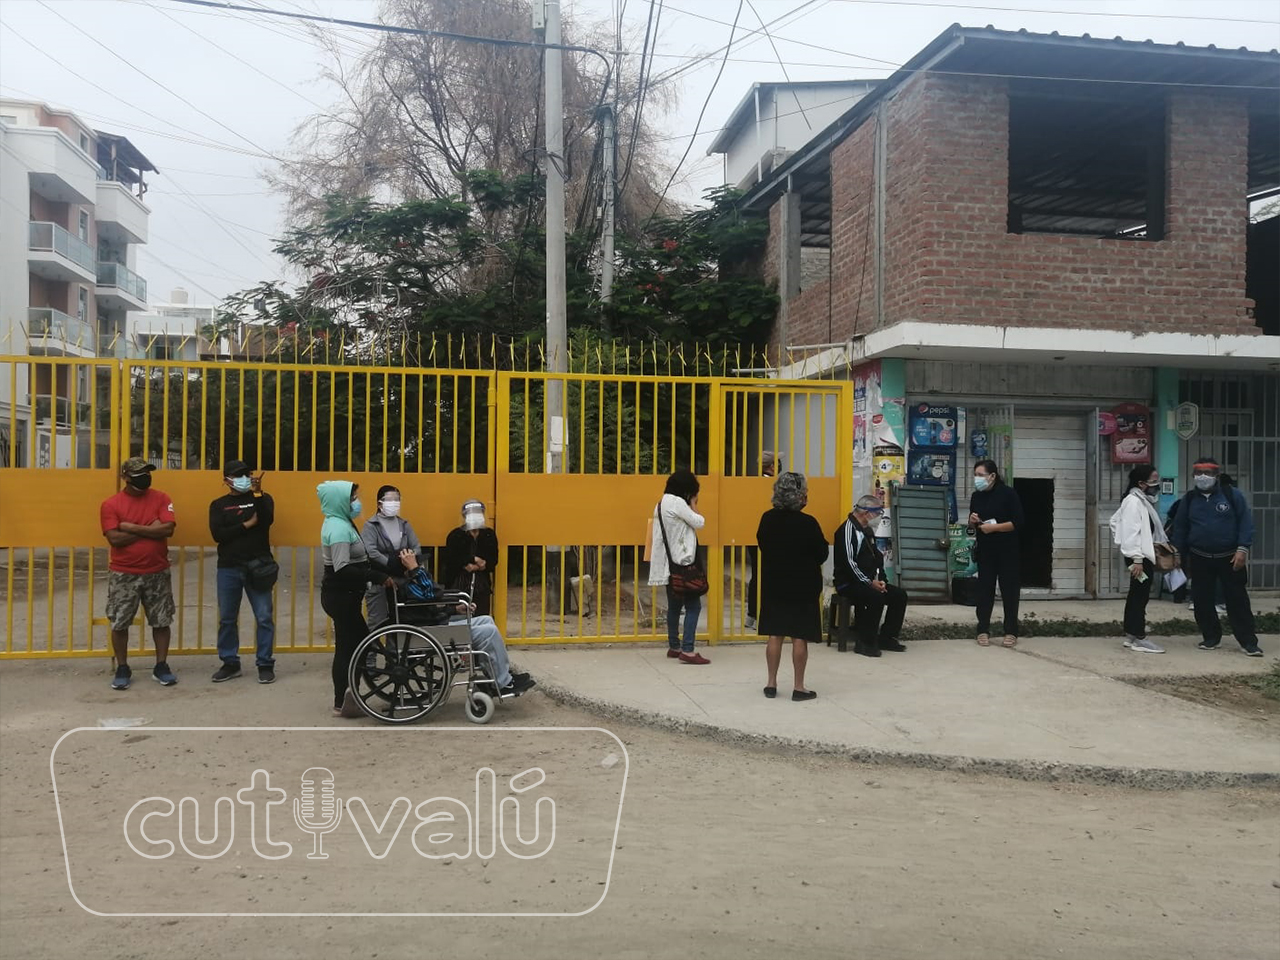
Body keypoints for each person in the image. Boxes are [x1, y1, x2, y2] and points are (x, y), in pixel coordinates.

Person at [397, 548, 534, 696]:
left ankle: (498, 675)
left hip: (433, 625)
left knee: (486, 619)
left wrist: (454, 609)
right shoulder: (410, 585)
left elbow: (430, 608)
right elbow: (434, 594)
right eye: (418, 563)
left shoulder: (412, 583)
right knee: (489, 633)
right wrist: (415, 569)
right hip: (429, 632)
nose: (422, 566)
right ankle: (503, 683)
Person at [317, 480, 395, 716]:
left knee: (350, 646)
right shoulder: (338, 529)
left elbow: (359, 560)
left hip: (346, 596)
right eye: (352, 499)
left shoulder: (341, 523)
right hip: (341, 597)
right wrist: (377, 576)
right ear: (339, 501)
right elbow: (342, 568)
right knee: (353, 646)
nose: (356, 502)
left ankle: (347, 698)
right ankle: (345, 700)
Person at [100, 457, 178, 690]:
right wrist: (151, 528)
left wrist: (130, 526)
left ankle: (161, 666)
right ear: (125, 477)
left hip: (157, 571)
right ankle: (123, 667)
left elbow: (168, 529)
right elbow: (114, 539)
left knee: (161, 621)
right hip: (124, 573)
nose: (145, 477)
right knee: (120, 622)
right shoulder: (111, 504)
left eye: (147, 473)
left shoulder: (162, 498)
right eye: (138, 474)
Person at [1171, 457, 1262, 656]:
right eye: (1198, 473)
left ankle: (1248, 642)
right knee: (1202, 600)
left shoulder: (1232, 495)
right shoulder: (1189, 499)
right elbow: (1181, 527)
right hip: (1199, 557)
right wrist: (1178, 553)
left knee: (1237, 600)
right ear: (1193, 475)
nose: (1203, 477)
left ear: (1217, 475)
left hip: (1230, 557)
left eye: (1208, 473)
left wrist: (1242, 549)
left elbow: (1245, 523)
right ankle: (1211, 637)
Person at [757, 472, 828, 701]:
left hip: (774, 583)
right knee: (799, 636)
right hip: (803, 586)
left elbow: (762, 544)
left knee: (775, 634)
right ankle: (799, 687)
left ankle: (771, 683)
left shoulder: (767, 519)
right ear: (800, 496)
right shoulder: (808, 523)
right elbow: (822, 553)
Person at [208, 460, 277, 683]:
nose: (244, 479)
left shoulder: (262, 499)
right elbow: (219, 534)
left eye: (247, 474)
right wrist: (247, 525)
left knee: (264, 617)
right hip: (229, 567)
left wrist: (257, 494)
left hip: (258, 566)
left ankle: (265, 663)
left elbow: (266, 521)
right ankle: (230, 663)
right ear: (227, 480)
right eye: (239, 475)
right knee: (227, 618)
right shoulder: (218, 505)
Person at [833, 495, 909, 659]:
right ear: (866, 513)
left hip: (868, 581)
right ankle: (865, 642)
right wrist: (869, 582)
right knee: (875, 597)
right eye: (878, 513)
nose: (879, 517)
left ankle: (887, 638)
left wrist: (881, 580)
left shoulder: (867, 530)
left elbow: (876, 558)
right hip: (849, 582)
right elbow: (849, 563)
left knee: (899, 595)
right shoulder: (847, 530)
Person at [648, 469, 709, 665]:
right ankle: (688, 650)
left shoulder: (660, 504)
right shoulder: (678, 503)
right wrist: (693, 504)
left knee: (674, 606)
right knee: (694, 606)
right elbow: (699, 522)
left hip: (668, 565)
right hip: (683, 564)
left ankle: (674, 646)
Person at [1110, 464, 1169, 654]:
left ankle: (1131, 634)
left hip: (1139, 557)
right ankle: (1139, 637)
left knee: (1136, 595)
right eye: (1154, 480)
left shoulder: (1140, 500)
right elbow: (1130, 531)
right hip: (1138, 560)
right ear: (1142, 483)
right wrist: (1136, 558)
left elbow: (1114, 522)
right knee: (1140, 597)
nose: (1157, 484)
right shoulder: (1134, 502)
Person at [968, 459, 1024, 648]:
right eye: (975, 475)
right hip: (986, 550)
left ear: (992, 476)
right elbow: (973, 526)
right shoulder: (976, 496)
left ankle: (1011, 631)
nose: (977, 479)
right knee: (985, 590)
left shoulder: (1008, 494)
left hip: (1007, 550)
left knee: (1009, 591)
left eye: (980, 475)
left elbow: (1017, 522)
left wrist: (994, 528)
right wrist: (972, 521)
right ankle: (982, 629)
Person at [360, 485, 425, 628]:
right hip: (380, 581)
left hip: (403, 580)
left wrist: (408, 558)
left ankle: (395, 644)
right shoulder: (371, 526)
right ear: (379, 504)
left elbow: (416, 546)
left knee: (401, 621)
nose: (394, 503)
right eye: (390, 500)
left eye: (397, 499)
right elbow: (370, 551)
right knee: (378, 622)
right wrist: (390, 562)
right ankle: (373, 643)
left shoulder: (404, 524)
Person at [442, 499, 499, 617]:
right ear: (464, 516)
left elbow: (493, 559)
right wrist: (473, 559)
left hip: (481, 585)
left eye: (478, 513)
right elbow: (451, 559)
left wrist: (480, 566)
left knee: (481, 617)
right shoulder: (455, 535)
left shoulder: (488, 534)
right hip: (459, 584)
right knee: (459, 619)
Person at [744, 451, 778, 631]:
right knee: (765, 576)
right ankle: (760, 615)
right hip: (767, 537)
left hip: (753, 535)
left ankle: (752, 614)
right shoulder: (772, 486)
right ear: (771, 466)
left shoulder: (754, 484)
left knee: (757, 575)